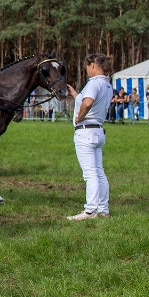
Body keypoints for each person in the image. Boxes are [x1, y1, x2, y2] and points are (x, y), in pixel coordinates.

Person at [65, 53, 112, 220]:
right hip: (98, 130)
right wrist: (75, 94)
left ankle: (90, 210)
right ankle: (103, 209)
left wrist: (80, 116)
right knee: (99, 172)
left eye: (87, 67)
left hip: (85, 132)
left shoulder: (93, 83)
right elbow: (88, 101)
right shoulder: (107, 85)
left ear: (92, 65)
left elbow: (88, 102)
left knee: (90, 174)